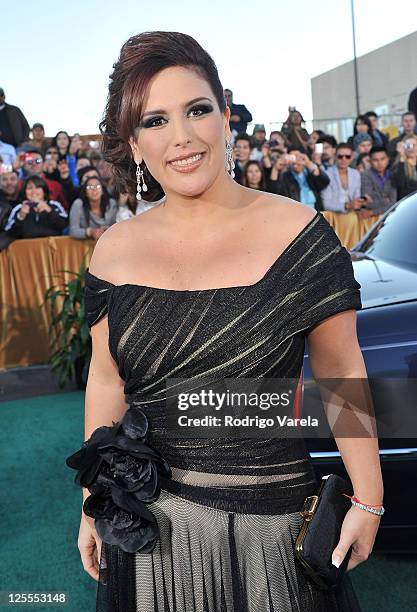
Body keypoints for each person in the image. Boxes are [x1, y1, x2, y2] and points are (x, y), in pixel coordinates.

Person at [68, 31, 383, 612]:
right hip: (148, 534)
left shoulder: (300, 233)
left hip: (272, 532)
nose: (182, 137)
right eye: (155, 121)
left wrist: (368, 496)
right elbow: (107, 382)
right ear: (134, 145)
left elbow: (341, 369)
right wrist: (93, 499)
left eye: (197, 110)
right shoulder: (112, 250)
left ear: (225, 117)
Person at [276, 146, 330, 210]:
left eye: (298, 157)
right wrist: (278, 168)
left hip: (315, 212)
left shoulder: (310, 172)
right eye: (292, 157)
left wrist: (308, 163)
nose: (295, 161)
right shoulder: (285, 176)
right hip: (296, 213)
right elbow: (276, 192)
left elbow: (324, 183)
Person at [321, 143, 362, 213]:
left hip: (351, 216)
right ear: (335, 156)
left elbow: (357, 198)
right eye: (340, 156)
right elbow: (325, 204)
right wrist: (347, 205)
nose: (344, 159)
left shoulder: (356, 174)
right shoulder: (326, 174)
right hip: (332, 217)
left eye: (347, 156)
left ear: (352, 157)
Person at [360, 146, 397, 217]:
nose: (380, 163)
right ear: (370, 161)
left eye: (382, 159)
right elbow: (367, 203)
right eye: (375, 160)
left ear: (388, 159)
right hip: (371, 220)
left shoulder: (392, 175)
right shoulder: (365, 175)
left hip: (390, 217)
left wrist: (372, 212)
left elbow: (393, 203)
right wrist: (385, 201)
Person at [391, 134, 417, 200]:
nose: (412, 148)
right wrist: (402, 156)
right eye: (408, 145)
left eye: (414, 145)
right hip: (407, 203)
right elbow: (399, 184)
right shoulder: (399, 165)